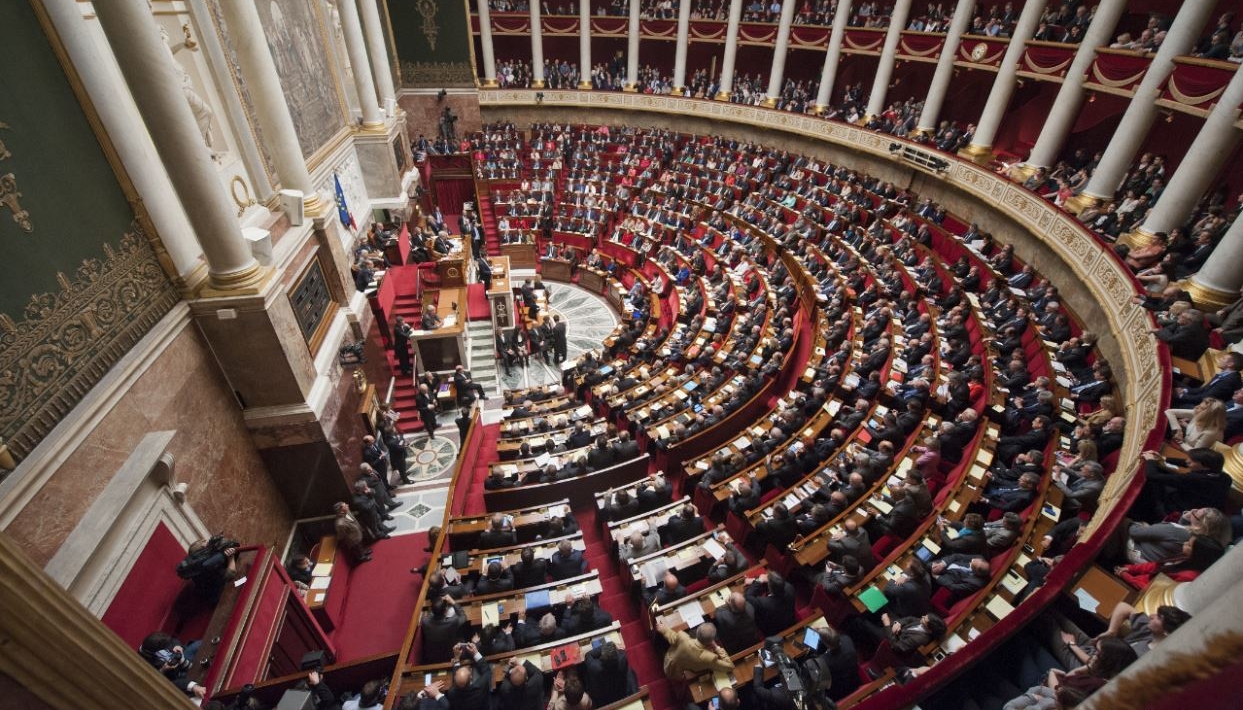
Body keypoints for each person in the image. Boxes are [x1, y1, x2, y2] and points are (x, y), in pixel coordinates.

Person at [1114, 533, 1225, 589]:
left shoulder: (1188, 577)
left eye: (1189, 545)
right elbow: (1155, 565)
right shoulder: (1186, 557)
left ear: (1198, 554)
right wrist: (1130, 569)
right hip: (1138, 578)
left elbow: (1152, 590)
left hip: (1138, 588)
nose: (1185, 543)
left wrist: (1127, 577)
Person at [656, 619, 734, 681]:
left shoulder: (683, 637)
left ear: (697, 632)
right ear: (711, 641)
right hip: (681, 674)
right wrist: (717, 647)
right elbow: (730, 666)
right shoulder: (709, 658)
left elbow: (671, 636)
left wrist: (664, 629)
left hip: (669, 663)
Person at [138, 631, 206, 699]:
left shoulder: (156, 640)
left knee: (199, 645)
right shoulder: (143, 663)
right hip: (178, 675)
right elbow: (156, 683)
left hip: (183, 656)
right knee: (199, 680)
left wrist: (176, 646)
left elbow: (173, 641)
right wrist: (163, 670)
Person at [583, 640, 637, 706]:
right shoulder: (623, 659)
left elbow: (588, 655)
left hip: (602, 697)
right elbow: (621, 651)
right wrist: (612, 648)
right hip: (620, 690)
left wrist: (603, 647)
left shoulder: (594, 666)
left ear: (602, 657)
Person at [420, 597, 467, 663]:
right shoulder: (452, 622)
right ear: (446, 610)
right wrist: (452, 601)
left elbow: (430, 615)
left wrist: (437, 604)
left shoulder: (424, 621)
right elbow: (463, 617)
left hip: (433, 653)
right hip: (449, 652)